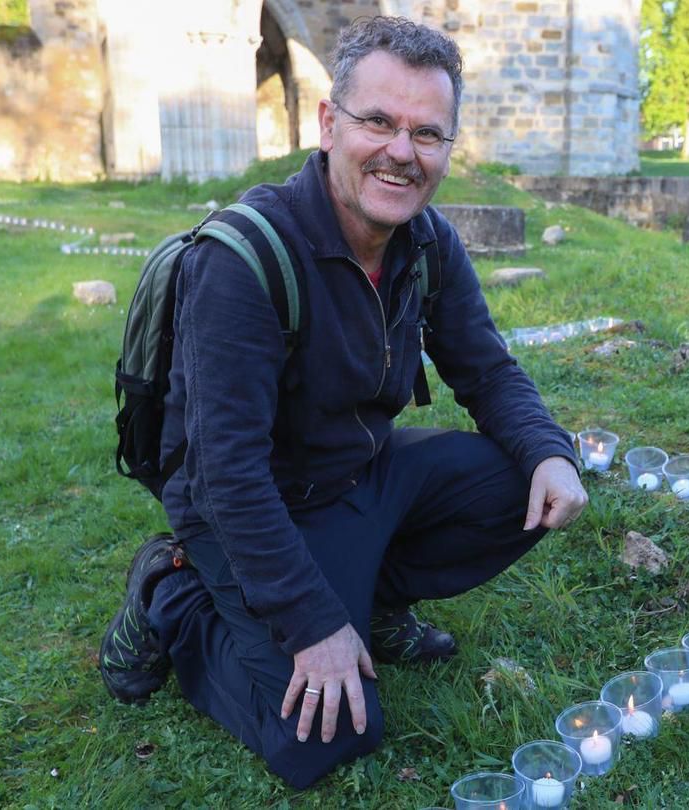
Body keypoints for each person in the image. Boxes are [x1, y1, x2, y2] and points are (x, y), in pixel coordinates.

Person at [97, 16, 588, 789]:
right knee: (326, 735)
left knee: (528, 475)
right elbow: (227, 473)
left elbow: (487, 370)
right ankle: (174, 598)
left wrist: (552, 453)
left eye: (428, 134)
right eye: (379, 122)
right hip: (249, 507)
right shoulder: (244, 259)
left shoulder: (427, 242)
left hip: (358, 473)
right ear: (330, 124)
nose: (402, 152)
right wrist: (314, 623)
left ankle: (377, 599)